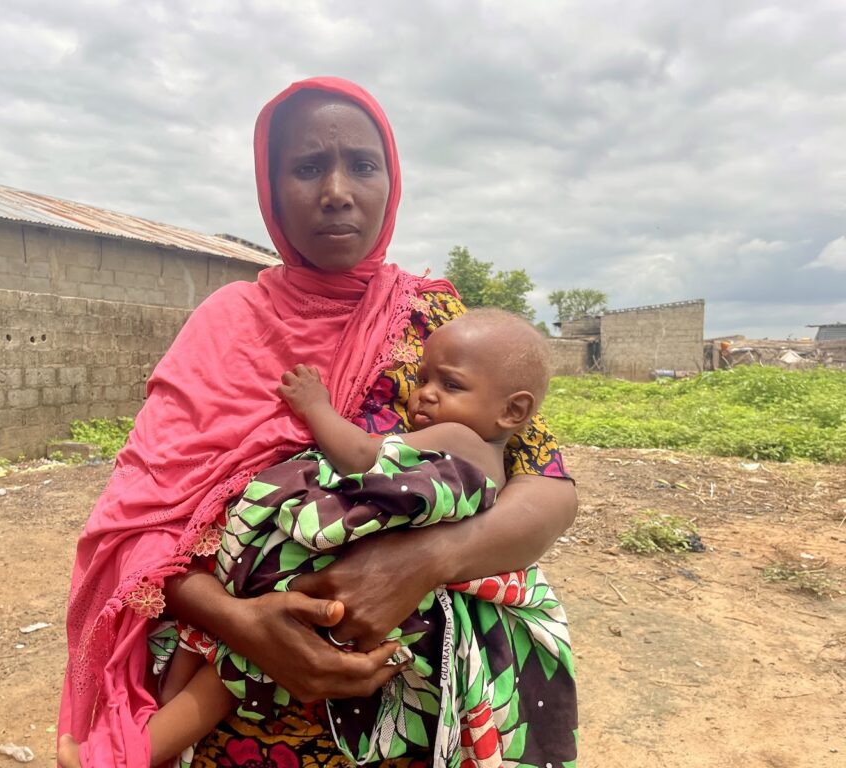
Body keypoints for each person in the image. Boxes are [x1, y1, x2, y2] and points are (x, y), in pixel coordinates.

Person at [57, 76, 578, 768]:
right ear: (271, 190)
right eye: (307, 167)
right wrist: (239, 623)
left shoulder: (442, 328)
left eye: (362, 164)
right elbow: (139, 524)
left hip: (406, 717)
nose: (337, 190)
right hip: (239, 733)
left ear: (392, 181)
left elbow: (547, 488)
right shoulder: (224, 325)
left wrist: (422, 563)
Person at [59, 309, 568, 767]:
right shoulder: (493, 457)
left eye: (449, 385)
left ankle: (126, 752)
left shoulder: (458, 434)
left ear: (514, 412)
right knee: (223, 667)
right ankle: (129, 748)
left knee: (219, 668)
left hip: (332, 591)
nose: (424, 395)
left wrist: (315, 405)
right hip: (348, 612)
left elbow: (363, 457)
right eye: (422, 378)